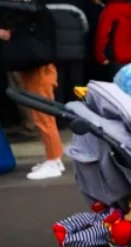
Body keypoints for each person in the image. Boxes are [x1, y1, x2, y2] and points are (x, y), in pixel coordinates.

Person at [0, 0, 65, 180]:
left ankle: (54, 160)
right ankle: (53, 159)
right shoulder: (34, 14)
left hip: (40, 69)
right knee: (41, 117)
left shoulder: (33, 12)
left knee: (44, 118)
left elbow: (10, 33)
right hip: (37, 68)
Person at [94, 0, 131, 76]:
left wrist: (100, 56)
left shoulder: (109, 11)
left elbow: (102, 35)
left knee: (116, 85)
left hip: (117, 58)